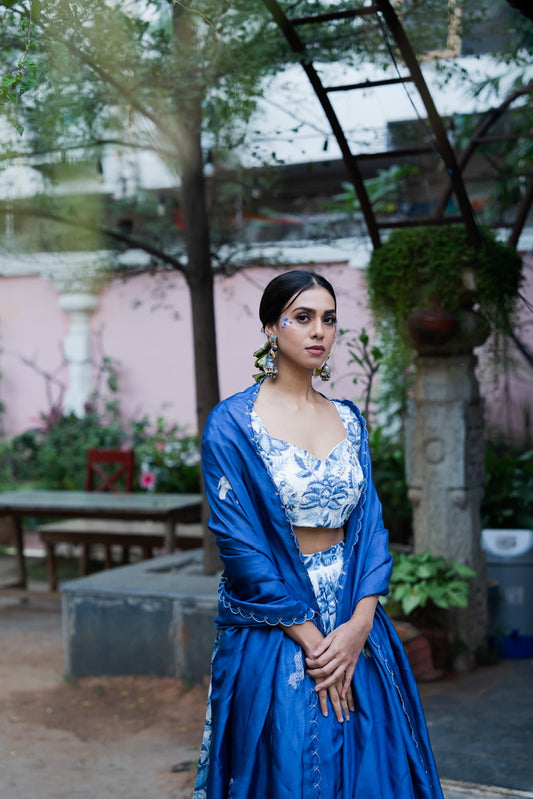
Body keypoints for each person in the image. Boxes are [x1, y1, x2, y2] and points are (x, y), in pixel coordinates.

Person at [193, 270, 443, 799]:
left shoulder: (350, 420)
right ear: (271, 327)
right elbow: (238, 545)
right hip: (279, 619)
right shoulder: (233, 424)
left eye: (328, 319)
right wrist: (317, 646)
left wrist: (358, 626)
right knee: (290, 752)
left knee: (372, 758)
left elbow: (370, 524)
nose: (318, 331)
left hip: (354, 610)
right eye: (302, 317)